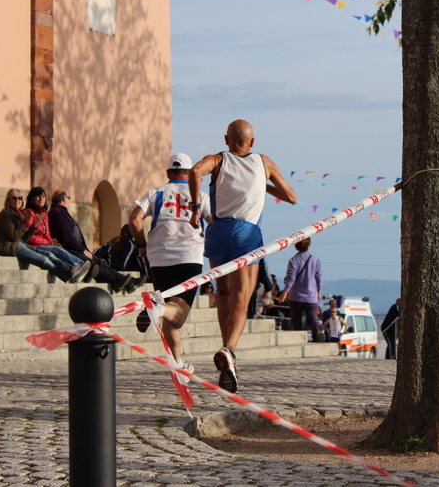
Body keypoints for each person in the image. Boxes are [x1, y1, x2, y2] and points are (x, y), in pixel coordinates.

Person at [189, 119, 296, 392]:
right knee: (242, 296)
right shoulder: (264, 162)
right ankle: (230, 349)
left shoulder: (217, 159)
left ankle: (228, 357)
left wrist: (195, 209)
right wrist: (264, 183)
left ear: (227, 139)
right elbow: (291, 197)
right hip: (246, 234)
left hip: (217, 231)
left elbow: (194, 172)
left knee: (223, 294)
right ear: (253, 141)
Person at [129, 153, 213, 372]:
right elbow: (213, 224)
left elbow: (134, 220)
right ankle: (155, 306)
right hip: (189, 256)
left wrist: (141, 245)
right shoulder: (200, 196)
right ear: (190, 173)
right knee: (179, 313)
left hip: (159, 258)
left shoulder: (155, 193)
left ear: (168, 173)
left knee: (168, 311)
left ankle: (177, 363)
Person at [48, 189, 140, 294]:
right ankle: (116, 281)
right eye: (69, 198)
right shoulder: (57, 212)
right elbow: (67, 237)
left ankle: (128, 282)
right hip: (68, 249)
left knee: (100, 262)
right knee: (93, 264)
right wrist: (83, 250)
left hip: (73, 248)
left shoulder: (60, 212)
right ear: (64, 199)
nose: (69, 200)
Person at [0, 188, 91, 283]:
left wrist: (34, 226)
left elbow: (24, 238)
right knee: (44, 259)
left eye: (20, 198)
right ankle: (69, 274)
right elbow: (13, 236)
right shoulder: (6, 214)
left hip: (19, 243)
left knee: (49, 254)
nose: (17, 200)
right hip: (8, 246)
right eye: (14, 198)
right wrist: (26, 223)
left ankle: (73, 269)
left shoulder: (18, 214)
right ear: (8, 201)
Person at [22, 187, 99, 282]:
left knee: (59, 248)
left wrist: (51, 241)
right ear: (32, 198)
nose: (41, 198)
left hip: (44, 244)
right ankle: (81, 266)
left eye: (43, 196)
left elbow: (47, 233)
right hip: (33, 245)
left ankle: (80, 268)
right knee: (56, 251)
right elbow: (28, 237)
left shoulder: (44, 214)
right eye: (38, 196)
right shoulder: (28, 212)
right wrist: (48, 242)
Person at [278, 238, 325, 342]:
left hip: (295, 296)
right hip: (311, 296)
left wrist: (284, 293)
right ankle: (317, 327)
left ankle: (298, 341)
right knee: (312, 319)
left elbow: (290, 279)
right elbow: (319, 278)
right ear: (309, 245)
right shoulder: (315, 260)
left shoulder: (293, 260)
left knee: (296, 321)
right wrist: (319, 292)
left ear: (296, 246)